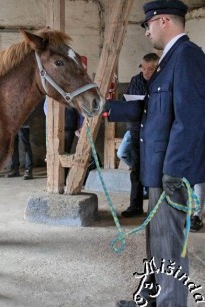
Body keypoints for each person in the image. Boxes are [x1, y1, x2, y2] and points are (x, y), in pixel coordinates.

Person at [105, 1, 205, 306]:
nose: (147, 32)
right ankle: (151, 299)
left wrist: (175, 172)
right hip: (156, 170)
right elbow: (150, 108)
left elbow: (191, 120)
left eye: (148, 25)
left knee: (170, 248)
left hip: (170, 173)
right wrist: (105, 108)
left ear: (163, 21)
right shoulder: (168, 60)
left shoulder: (187, 57)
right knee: (156, 245)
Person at [118, 53, 159, 218]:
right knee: (135, 170)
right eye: (144, 68)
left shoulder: (162, 80)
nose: (147, 72)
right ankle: (135, 206)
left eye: (151, 69)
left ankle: (156, 209)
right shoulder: (136, 80)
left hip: (155, 132)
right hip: (136, 129)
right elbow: (129, 100)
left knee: (156, 169)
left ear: (157, 67)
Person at [5, 114, 34, 180]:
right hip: (12, 124)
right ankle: (15, 169)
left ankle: (28, 170)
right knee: (13, 146)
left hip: (23, 122)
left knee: (26, 146)